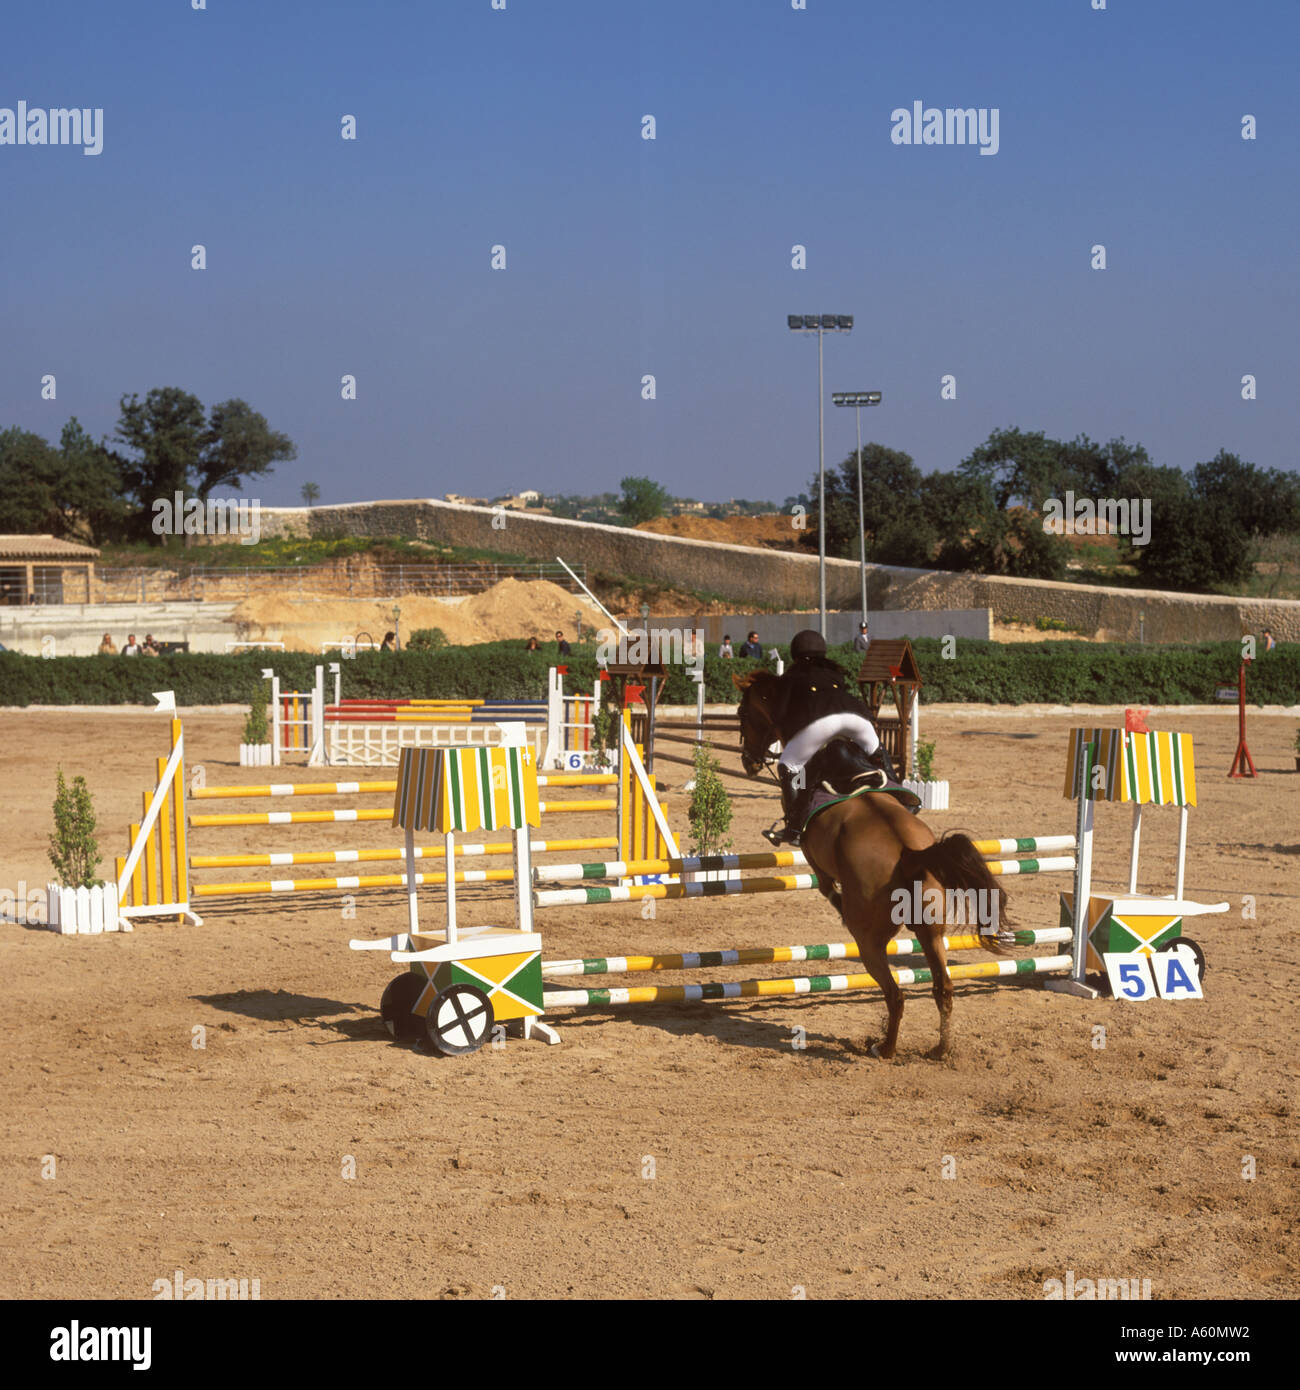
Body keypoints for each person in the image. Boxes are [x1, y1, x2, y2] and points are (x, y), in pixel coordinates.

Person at [766, 629, 894, 847]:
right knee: (877, 753)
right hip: (857, 718)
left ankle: (795, 826)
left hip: (822, 721)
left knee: (788, 763)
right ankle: (901, 794)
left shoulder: (791, 676)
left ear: (795, 653)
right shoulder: (835, 673)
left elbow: (781, 714)